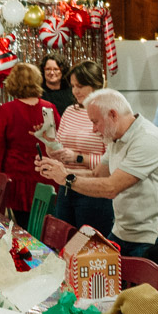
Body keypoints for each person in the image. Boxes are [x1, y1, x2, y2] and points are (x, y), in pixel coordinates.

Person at [38, 88, 158, 258]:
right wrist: (59, 172)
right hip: (123, 231)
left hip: (152, 237)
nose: (93, 129)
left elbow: (111, 188)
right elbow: (98, 175)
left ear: (113, 115)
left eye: (95, 122)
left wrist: (67, 178)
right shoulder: (116, 138)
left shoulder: (148, 139)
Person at [50, 60, 115, 239]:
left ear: (96, 85)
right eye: (72, 86)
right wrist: (53, 152)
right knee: (64, 246)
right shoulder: (70, 111)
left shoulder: (107, 113)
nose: (75, 91)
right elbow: (59, 143)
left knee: (89, 249)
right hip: (66, 187)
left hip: (93, 192)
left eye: (80, 85)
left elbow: (111, 161)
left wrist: (78, 157)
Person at [0, 61, 62, 216]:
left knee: (23, 227)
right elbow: (59, 140)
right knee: (44, 226)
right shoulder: (49, 108)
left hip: (18, 180)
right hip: (46, 175)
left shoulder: (7, 110)